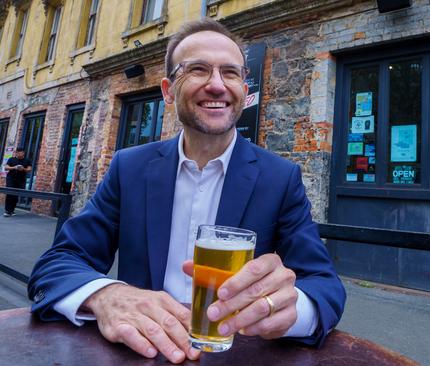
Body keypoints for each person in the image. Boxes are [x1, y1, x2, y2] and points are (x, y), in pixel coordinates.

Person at [28, 18, 345, 364]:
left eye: (231, 73)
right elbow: (58, 264)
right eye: (198, 70)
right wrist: (106, 296)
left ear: (244, 89)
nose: (217, 85)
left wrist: (288, 309)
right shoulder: (129, 168)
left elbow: (325, 287)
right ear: (167, 90)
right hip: (141, 354)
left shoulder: (280, 178)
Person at [3, 147, 32, 217]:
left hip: (21, 180)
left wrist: (23, 169)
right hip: (11, 179)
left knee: (16, 195)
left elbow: (29, 169)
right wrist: (14, 167)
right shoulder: (11, 159)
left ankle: (12, 210)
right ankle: (7, 211)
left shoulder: (27, 160)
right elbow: (6, 167)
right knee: (9, 194)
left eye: (20, 152)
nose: (18, 154)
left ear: (23, 153)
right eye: (17, 152)